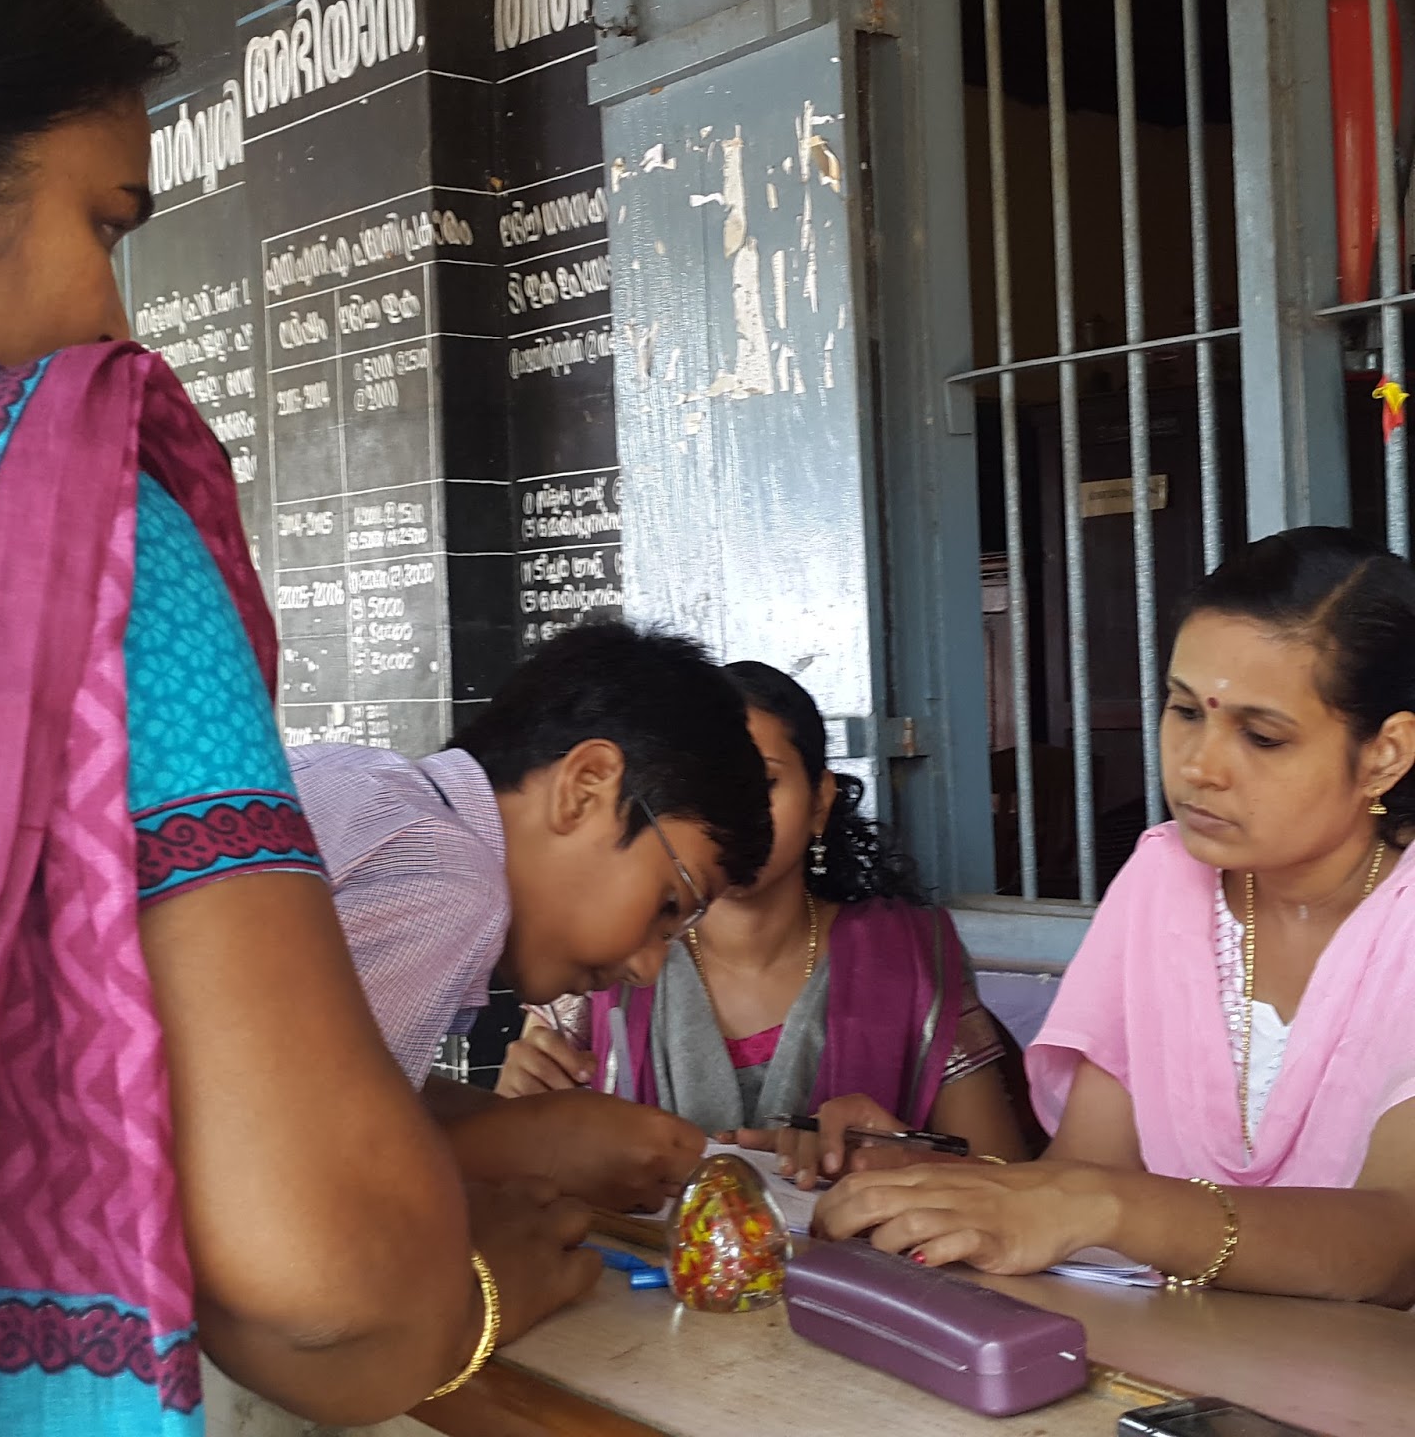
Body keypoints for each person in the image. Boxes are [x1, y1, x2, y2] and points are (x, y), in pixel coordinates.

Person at [0, 0, 595, 1435]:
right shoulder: (40, 526)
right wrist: (480, 1295)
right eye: (103, 223)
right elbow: (331, 1284)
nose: (115, 319)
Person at [816, 529, 1415, 1307]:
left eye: (1262, 736)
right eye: (1184, 710)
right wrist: (944, 1184)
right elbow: (1086, 1170)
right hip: (1168, 1350)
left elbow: (1396, 1248)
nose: (1197, 765)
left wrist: (1109, 1207)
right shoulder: (1165, 880)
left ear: (1385, 754)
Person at [289, 623, 774, 1214]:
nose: (649, 967)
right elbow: (300, 1173)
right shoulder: (449, 877)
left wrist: (510, 1119)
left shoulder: (365, 782)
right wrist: (533, 1147)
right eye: (667, 905)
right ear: (585, 787)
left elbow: (326, 1088)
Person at [498, 662, 1029, 1179]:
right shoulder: (607, 952)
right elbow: (520, 1158)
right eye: (711, 791)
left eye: (764, 783)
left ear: (819, 801)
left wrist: (896, 1155)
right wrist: (519, 1107)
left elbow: (1001, 1177)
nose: (737, 818)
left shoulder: (907, 956)